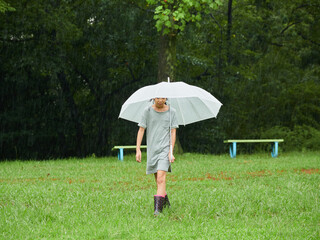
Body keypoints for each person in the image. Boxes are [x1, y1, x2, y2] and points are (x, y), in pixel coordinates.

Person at [136, 97, 179, 216]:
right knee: (158, 180)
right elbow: (141, 130)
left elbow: (173, 132)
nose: (160, 100)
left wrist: (171, 151)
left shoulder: (172, 112)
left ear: (166, 98)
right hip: (152, 150)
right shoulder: (147, 111)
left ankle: (157, 211)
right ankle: (166, 203)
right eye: (158, 97)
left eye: (162, 97)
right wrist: (138, 149)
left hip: (165, 150)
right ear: (154, 97)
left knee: (161, 178)